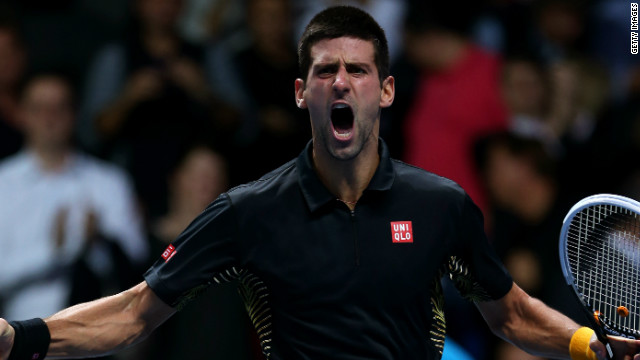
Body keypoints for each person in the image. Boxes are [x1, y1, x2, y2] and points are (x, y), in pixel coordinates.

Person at [1, 6, 639, 360]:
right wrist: (19, 338)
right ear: (301, 92)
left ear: (385, 91)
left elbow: (513, 315)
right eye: (326, 70)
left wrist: (591, 346)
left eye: (358, 70)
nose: (341, 82)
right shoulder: (247, 213)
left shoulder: (441, 207)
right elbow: (136, 312)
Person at [0, 73, 149, 322]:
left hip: (97, 336)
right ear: (21, 114)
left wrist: (98, 243)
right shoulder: (3, 183)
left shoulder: (109, 181)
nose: (50, 118)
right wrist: (54, 252)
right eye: (39, 109)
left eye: (59, 107)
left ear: (74, 114)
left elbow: (138, 263)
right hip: (19, 334)